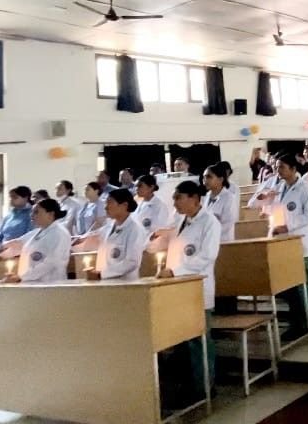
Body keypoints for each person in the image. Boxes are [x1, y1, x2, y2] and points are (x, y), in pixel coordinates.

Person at [157, 180, 220, 396]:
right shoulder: (181, 220)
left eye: (178, 198)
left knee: (199, 341)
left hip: (197, 288)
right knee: (183, 340)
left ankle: (205, 387)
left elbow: (206, 256)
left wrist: (176, 271)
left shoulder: (210, 222)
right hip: (179, 289)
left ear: (194, 198)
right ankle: (188, 385)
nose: (174, 203)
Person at [267, 154, 308, 338]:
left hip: (301, 243)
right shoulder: (279, 188)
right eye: (277, 167)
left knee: (302, 285)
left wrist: (287, 226)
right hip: (283, 244)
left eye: (281, 167)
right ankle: (297, 324)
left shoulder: (305, 188)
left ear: (292, 168)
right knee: (289, 286)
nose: (278, 170)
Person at [0, 199, 70, 283]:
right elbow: (19, 243)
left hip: (50, 283)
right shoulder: (37, 232)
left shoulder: (60, 233)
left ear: (50, 214)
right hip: (31, 283)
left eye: (36, 212)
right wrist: (2, 249)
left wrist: (22, 277)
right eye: (32, 212)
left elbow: (52, 262)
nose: (31, 215)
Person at [81, 188, 148, 280]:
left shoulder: (135, 229)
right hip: (105, 282)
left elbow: (131, 262)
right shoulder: (109, 226)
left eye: (110, 203)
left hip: (124, 284)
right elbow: (92, 238)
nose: (106, 207)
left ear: (124, 205)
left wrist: (102, 274)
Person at [201, 163, 238, 242]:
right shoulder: (206, 197)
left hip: (223, 241)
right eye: (204, 177)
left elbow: (228, 224)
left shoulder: (229, 198)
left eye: (209, 177)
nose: (205, 180)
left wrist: (209, 232)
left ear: (220, 179)